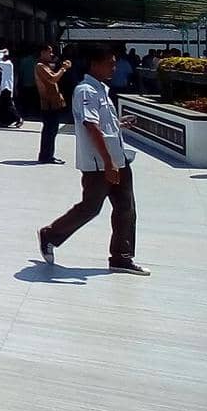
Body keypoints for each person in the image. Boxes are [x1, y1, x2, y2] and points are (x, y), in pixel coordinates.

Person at [38, 45, 149, 276]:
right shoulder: (86, 90)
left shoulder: (101, 90)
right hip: (100, 165)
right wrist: (108, 163)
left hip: (118, 160)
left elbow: (102, 124)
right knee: (90, 208)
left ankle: (121, 257)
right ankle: (50, 234)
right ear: (94, 64)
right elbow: (91, 126)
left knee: (126, 209)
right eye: (110, 62)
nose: (114, 67)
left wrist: (118, 124)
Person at [35, 44, 72, 164]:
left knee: (52, 130)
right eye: (49, 52)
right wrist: (63, 68)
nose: (51, 54)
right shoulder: (40, 66)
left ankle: (47, 154)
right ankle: (46, 155)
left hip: (53, 103)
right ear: (42, 52)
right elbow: (52, 78)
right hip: (48, 103)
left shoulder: (46, 65)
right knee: (49, 130)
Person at [0, 48, 22, 128]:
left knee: (9, 105)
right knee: (3, 105)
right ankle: (4, 120)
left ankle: (18, 118)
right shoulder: (7, 66)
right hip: (4, 87)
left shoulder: (8, 64)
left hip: (7, 87)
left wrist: (0, 53)